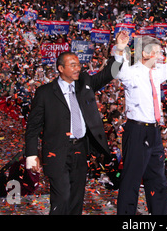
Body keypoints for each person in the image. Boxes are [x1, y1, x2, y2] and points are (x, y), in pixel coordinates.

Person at [24, 31, 129, 215]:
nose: (77, 68)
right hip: (56, 151)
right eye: (72, 65)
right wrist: (32, 154)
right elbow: (32, 127)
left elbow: (108, 74)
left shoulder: (85, 82)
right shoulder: (45, 93)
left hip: (80, 149)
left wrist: (119, 49)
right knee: (62, 196)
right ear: (60, 69)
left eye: (78, 64)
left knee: (76, 198)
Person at [115, 25, 167, 215]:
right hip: (136, 131)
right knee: (131, 180)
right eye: (158, 52)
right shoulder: (131, 72)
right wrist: (120, 48)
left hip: (154, 132)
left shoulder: (157, 71)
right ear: (146, 53)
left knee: (158, 179)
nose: (161, 56)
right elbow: (117, 71)